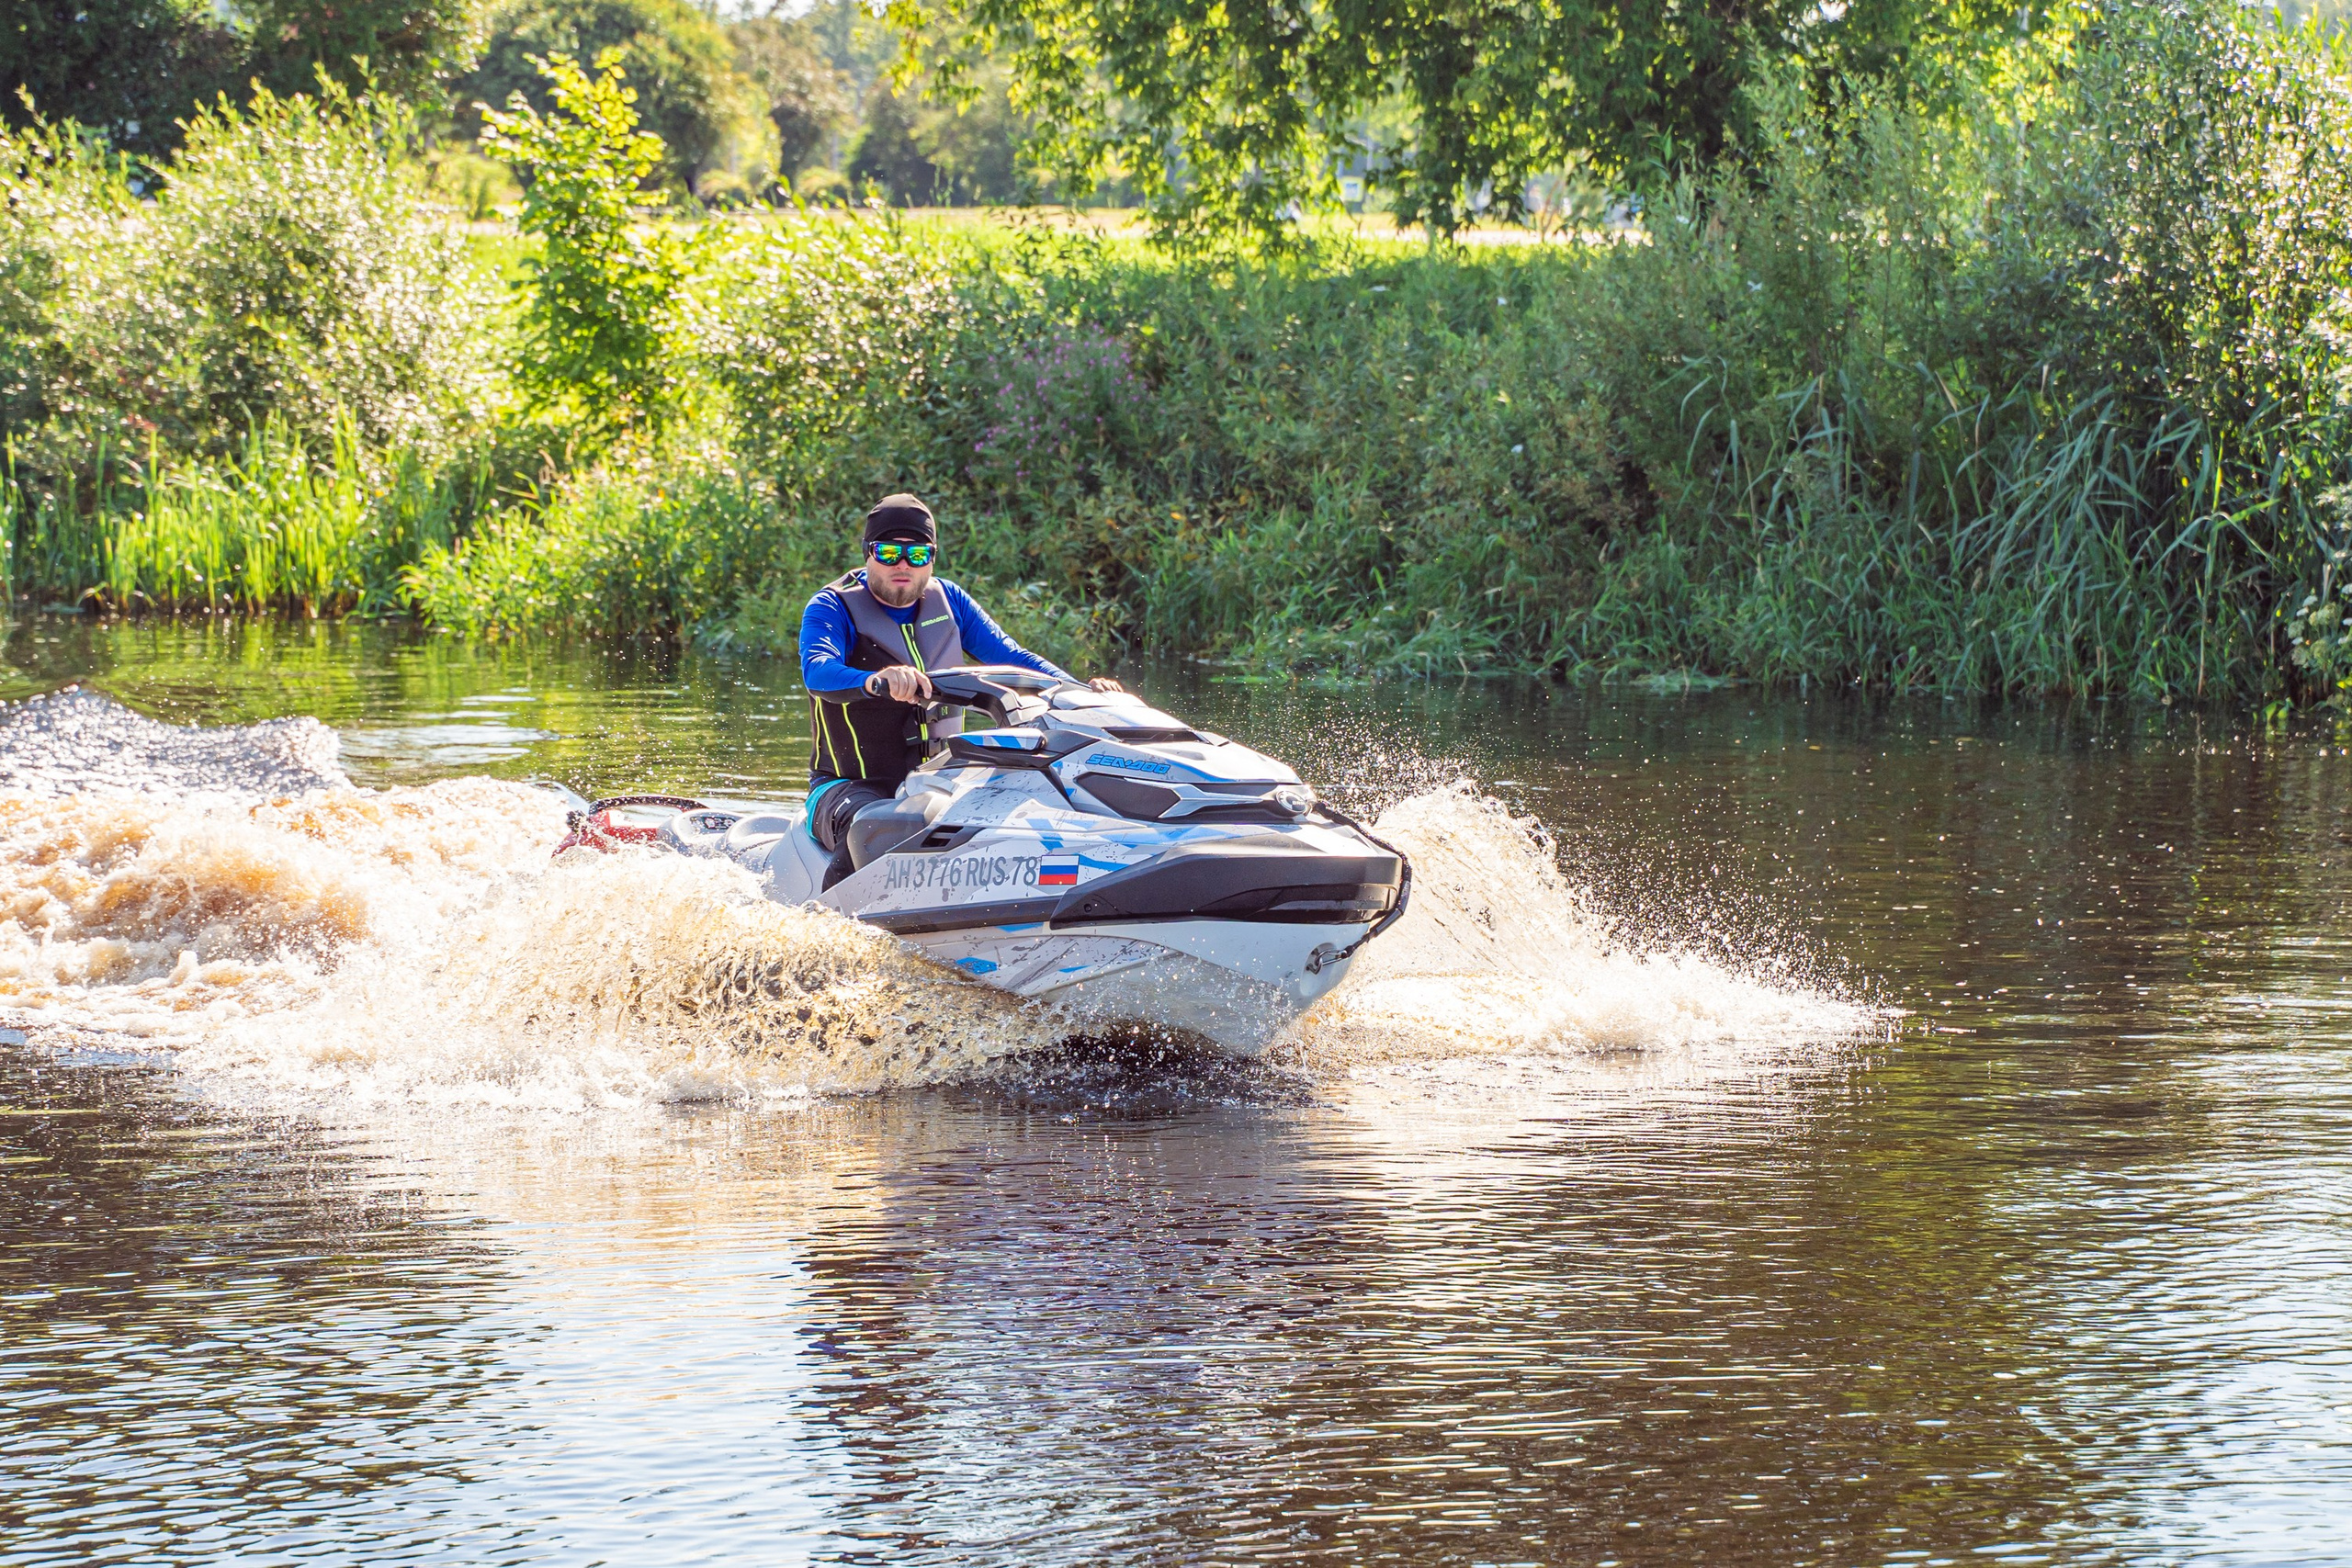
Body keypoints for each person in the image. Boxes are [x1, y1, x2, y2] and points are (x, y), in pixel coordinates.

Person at [798, 493, 1123, 886]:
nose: (903, 565)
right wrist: (874, 680)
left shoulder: (950, 600)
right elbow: (818, 671)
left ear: (931, 558)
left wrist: (1082, 691)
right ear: (868, 553)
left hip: (940, 779)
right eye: (888, 552)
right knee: (880, 827)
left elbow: (1013, 657)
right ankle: (828, 936)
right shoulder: (831, 606)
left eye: (917, 555)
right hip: (847, 786)